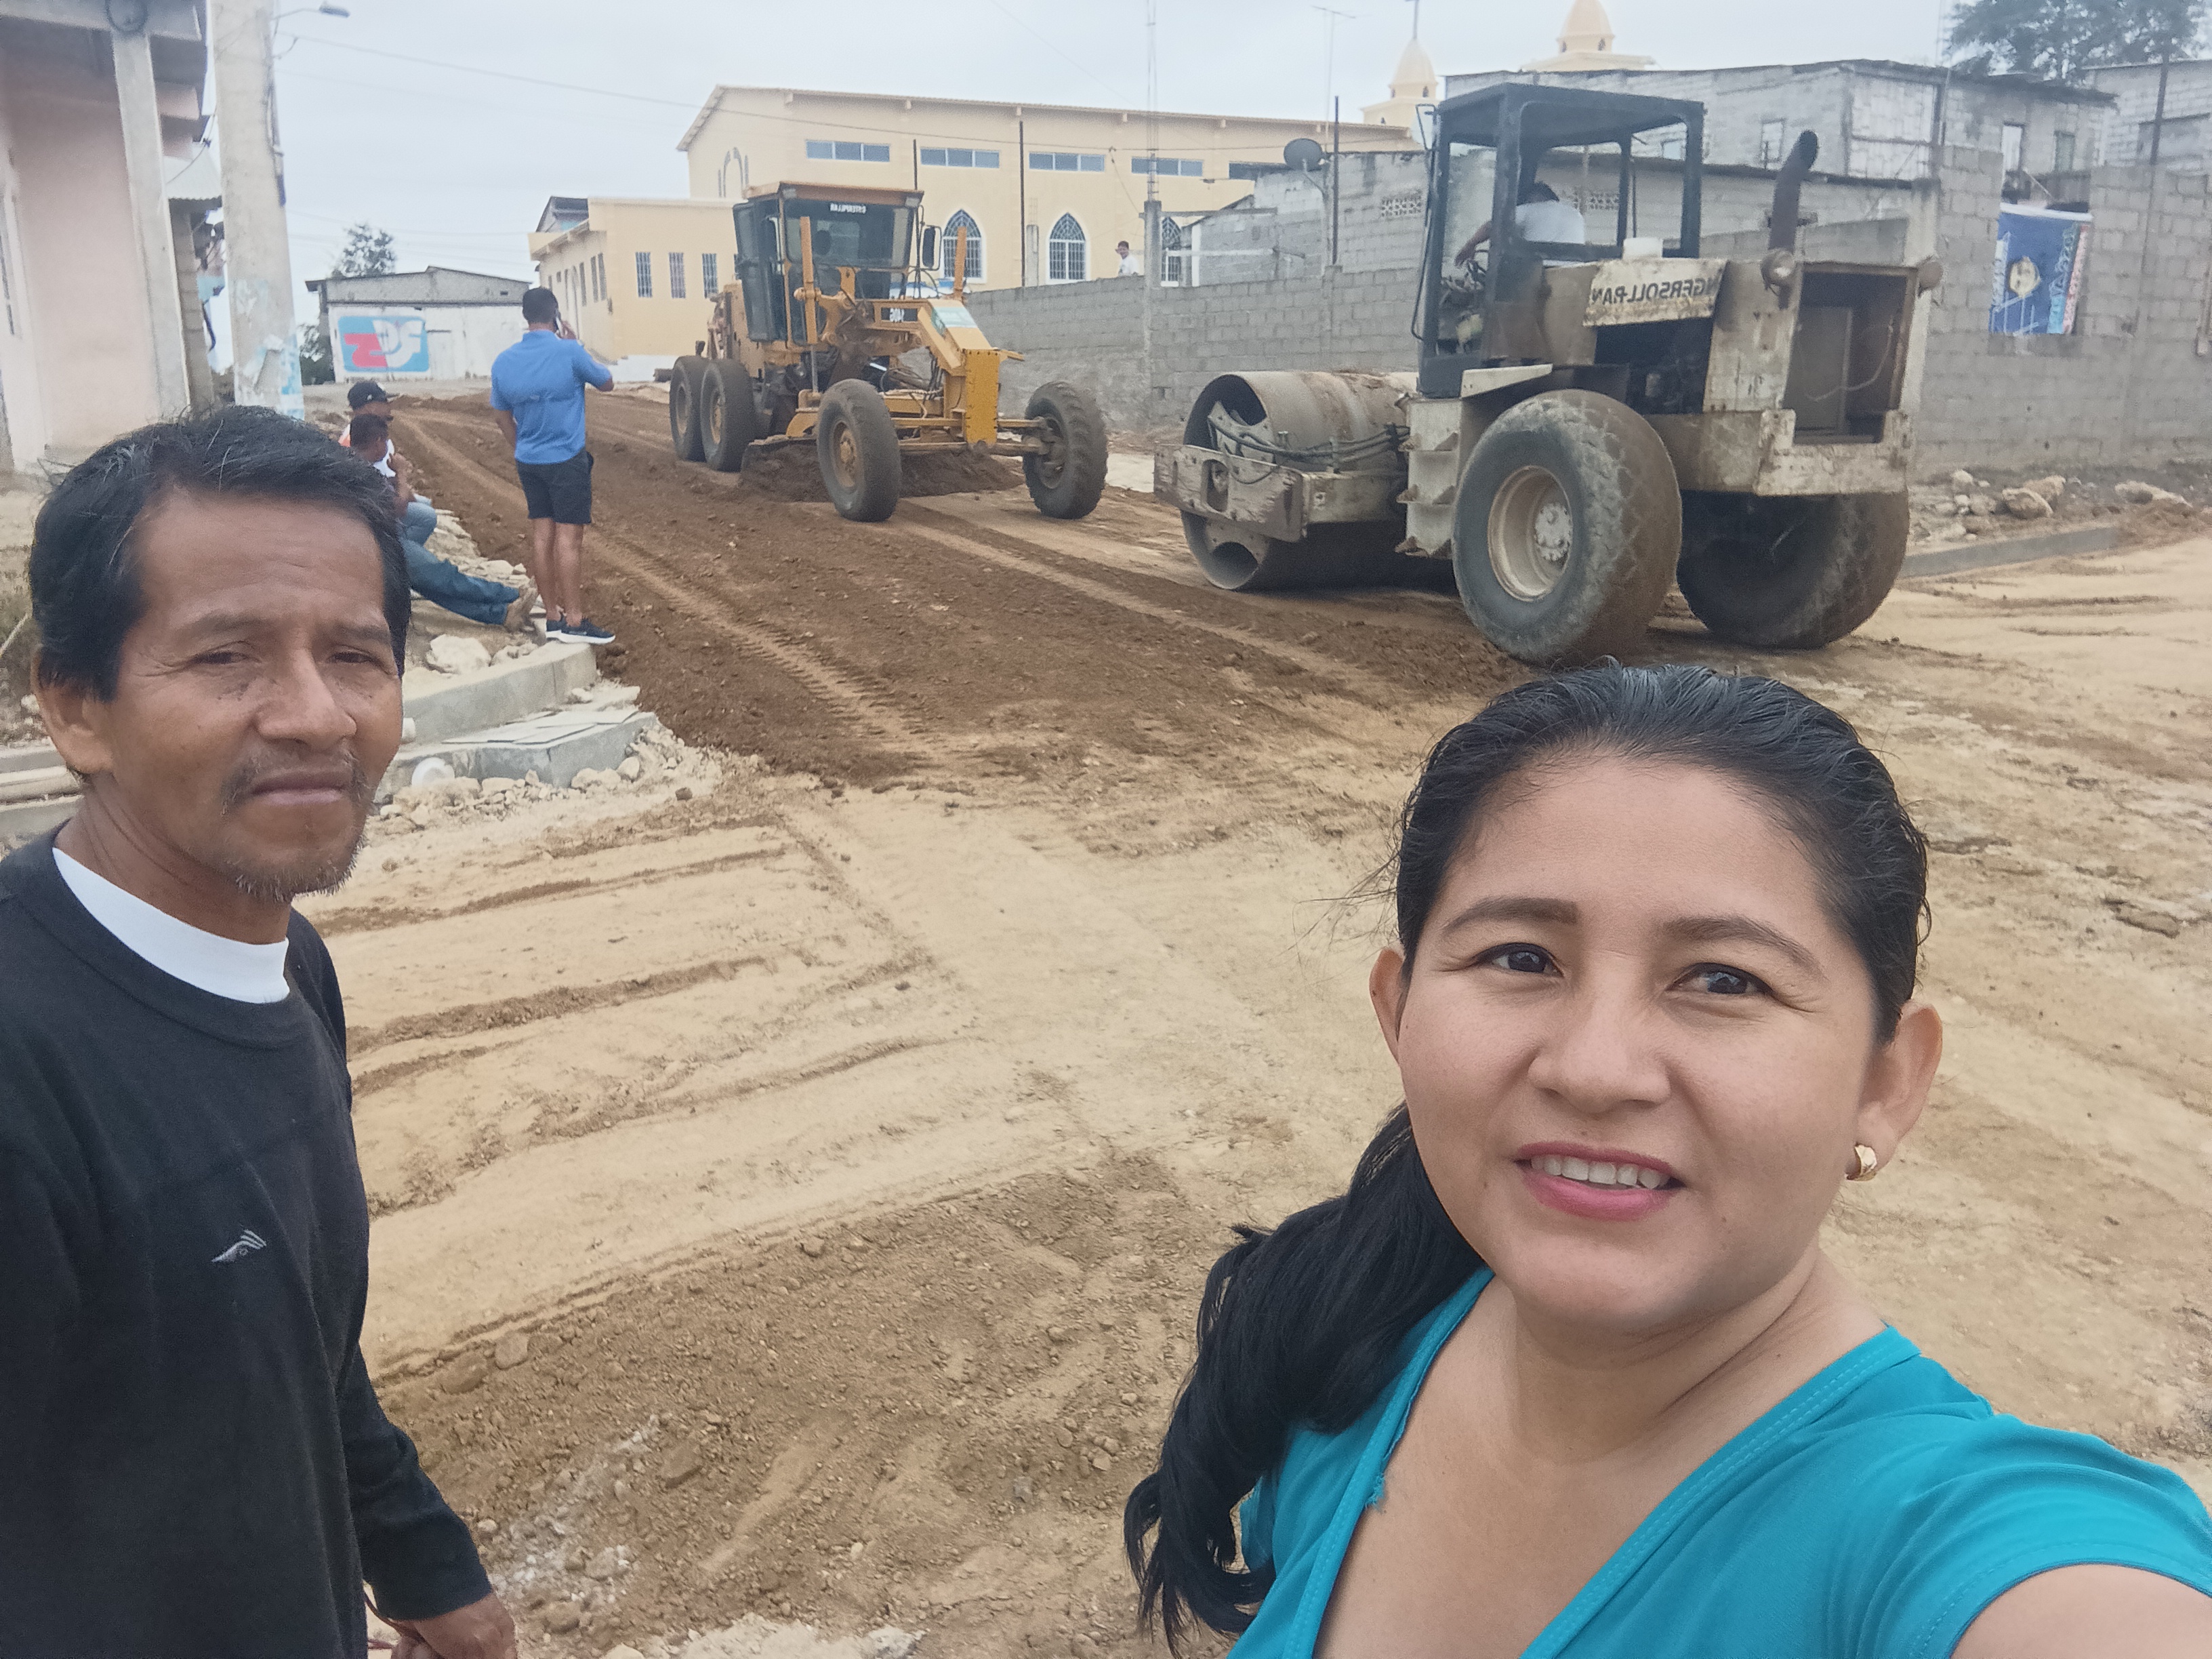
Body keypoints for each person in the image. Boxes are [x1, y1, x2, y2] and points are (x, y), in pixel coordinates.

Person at [1125, 665, 2212, 1659]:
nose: (1596, 1070)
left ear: (1888, 1082)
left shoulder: (1962, 1548)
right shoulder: (1343, 1343)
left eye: (1725, 980)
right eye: (1521, 957)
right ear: (1399, 1013)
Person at [4, 405, 516, 1659]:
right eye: (228, 657)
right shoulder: (21, 1069)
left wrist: (423, 1562)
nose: (316, 715)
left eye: (355, 655)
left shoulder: (286, 964)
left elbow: (292, 1335)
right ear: (76, 707)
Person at [489, 287, 614, 645]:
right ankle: (575, 621)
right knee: (569, 540)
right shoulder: (569, 351)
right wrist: (576, 345)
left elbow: (501, 414)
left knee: (542, 535)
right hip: (566, 459)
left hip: (529, 461)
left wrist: (521, 446)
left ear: (525, 316)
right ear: (555, 314)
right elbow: (607, 383)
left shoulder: (503, 361)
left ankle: (554, 617)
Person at [347, 411, 534, 633]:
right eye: (386, 440)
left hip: (369, 544)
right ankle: (510, 595)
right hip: (381, 546)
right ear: (378, 441)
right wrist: (402, 474)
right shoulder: (362, 474)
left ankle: (503, 614)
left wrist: (396, 481)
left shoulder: (351, 465)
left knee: (432, 586)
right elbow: (400, 508)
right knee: (444, 576)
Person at [1455, 180, 1589, 265]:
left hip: (1538, 275)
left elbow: (1491, 226)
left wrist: (1470, 245)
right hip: (1575, 274)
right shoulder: (1576, 214)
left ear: (1533, 198)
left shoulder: (1530, 208)